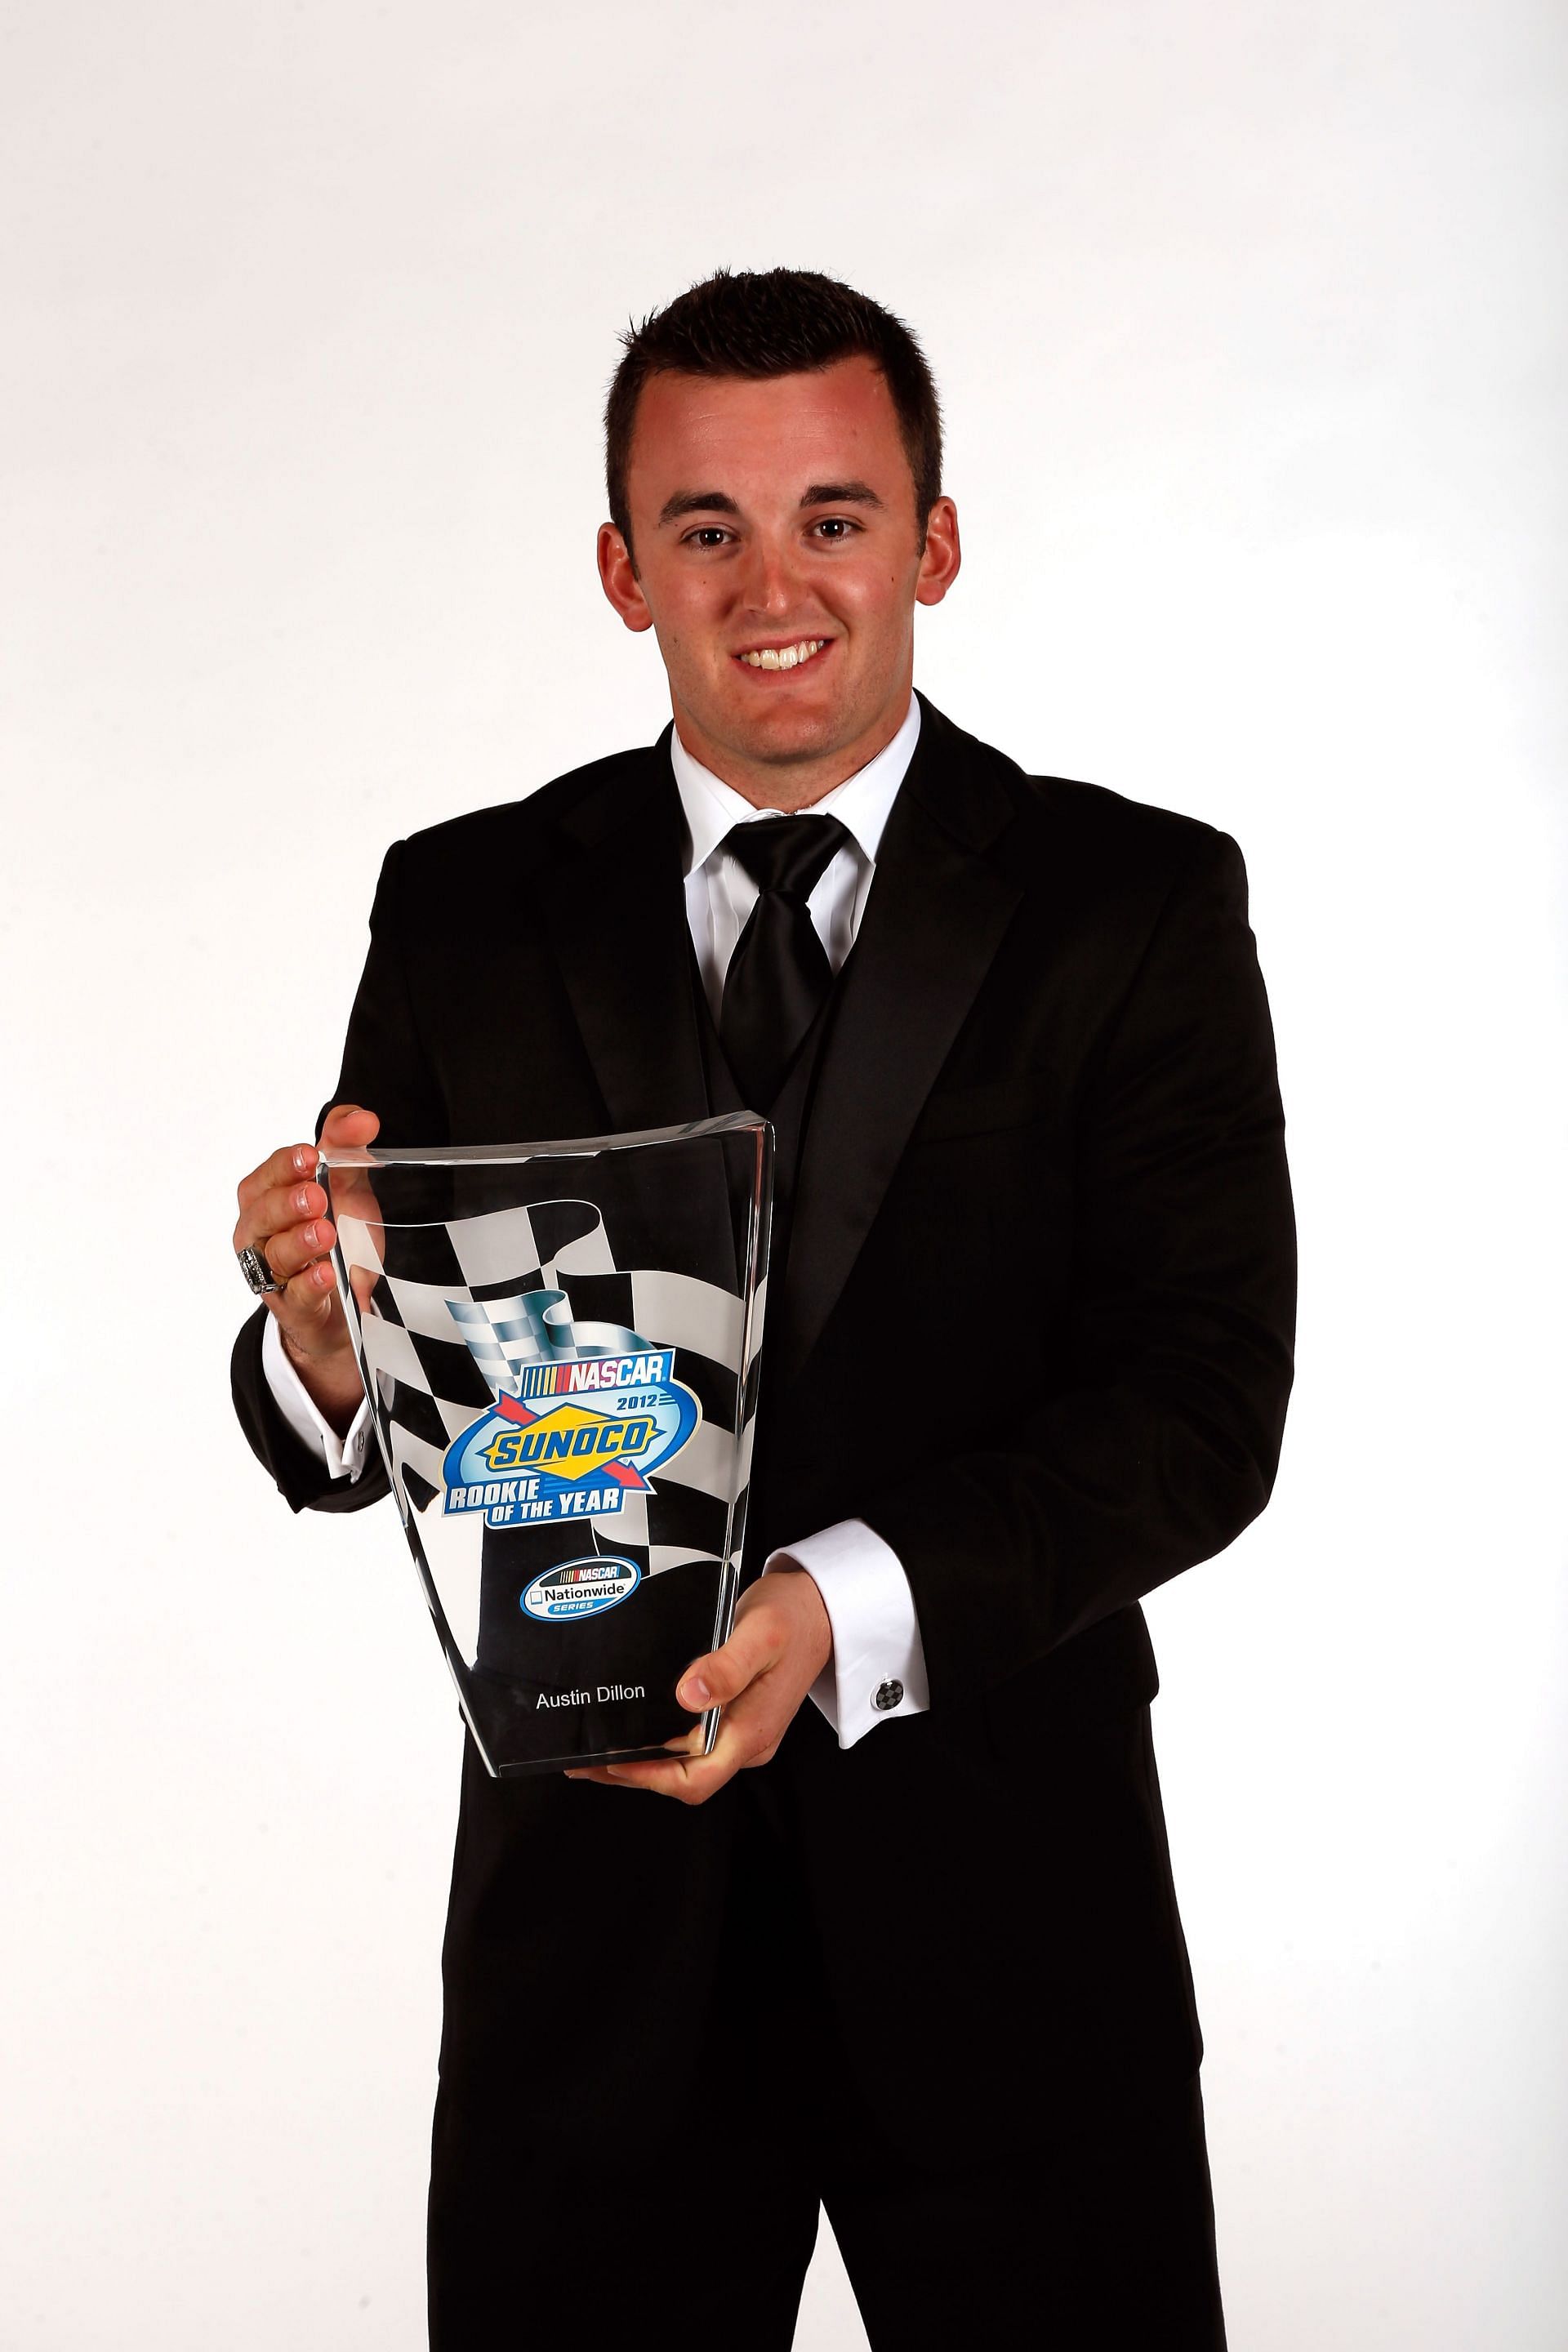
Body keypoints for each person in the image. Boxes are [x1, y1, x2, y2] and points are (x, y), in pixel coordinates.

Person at [231, 268, 1295, 2350]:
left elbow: (1197, 1403)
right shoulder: (462, 900)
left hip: (1013, 1933)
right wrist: (335, 1349)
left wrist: (826, 1606)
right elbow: (395, 1393)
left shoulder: (1134, 905)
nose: (773, 580)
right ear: (624, 569)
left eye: (834, 513)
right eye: (705, 527)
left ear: (935, 542)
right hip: (593, 1965)